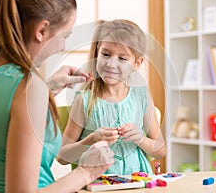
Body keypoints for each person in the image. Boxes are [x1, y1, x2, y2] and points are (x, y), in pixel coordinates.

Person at [0, 0, 114, 192]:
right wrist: (86, 172)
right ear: (42, 30)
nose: (63, 46)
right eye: (65, 35)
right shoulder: (29, 88)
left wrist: (47, 90)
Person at [57, 19, 166, 175]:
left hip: (138, 183)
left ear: (137, 63)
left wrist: (140, 139)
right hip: (98, 184)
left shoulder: (141, 97)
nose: (111, 64)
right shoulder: (84, 100)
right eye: (106, 54)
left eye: (122, 58)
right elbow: (62, 157)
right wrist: (92, 139)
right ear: (97, 53)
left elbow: (161, 150)